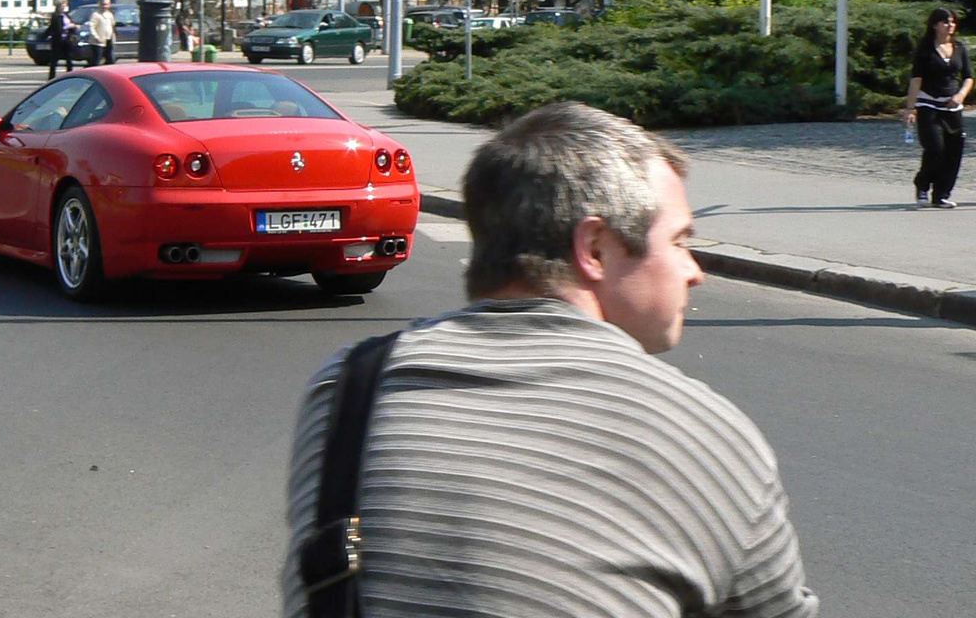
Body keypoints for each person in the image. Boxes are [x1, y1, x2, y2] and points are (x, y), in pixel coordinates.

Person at [281, 101, 817, 618]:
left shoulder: (347, 394)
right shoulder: (706, 434)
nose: (694, 270)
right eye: (679, 241)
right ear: (595, 250)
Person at [905, 6, 972, 209]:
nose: (950, 25)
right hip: (928, 105)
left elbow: (968, 77)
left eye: (952, 21)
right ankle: (923, 185)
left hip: (952, 107)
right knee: (935, 148)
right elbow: (916, 80)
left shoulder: (960, 48)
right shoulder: (925, 51)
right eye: (945, 22)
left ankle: (941, 194)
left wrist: (960, 95)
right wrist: (910, 109)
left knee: (954, 152)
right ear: (935, 25)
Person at [45, 0, 76, 80]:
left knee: (69, 58)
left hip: (67, 40)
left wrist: (73, 28)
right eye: (61, 7)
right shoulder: (55, 16)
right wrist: (69, 26)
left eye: (64, 7)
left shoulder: (66, 15)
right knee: (54, 59)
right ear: (57, 7)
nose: (63, 8)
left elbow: (72, 24)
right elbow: (58, 28)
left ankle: (70, 75)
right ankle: (51, 77)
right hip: (58, 41)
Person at [86, 0, 117, 66]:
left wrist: (113, 37)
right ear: (99, 5)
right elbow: (91, 27)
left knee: (110, 60)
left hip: (108, 39)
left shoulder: (109, 14)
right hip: (98, 41)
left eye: (106, 4)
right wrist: (96, 37)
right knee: (96, 60)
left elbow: (112, 26)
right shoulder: (95, 15)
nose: (105, 6)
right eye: (103, 4)